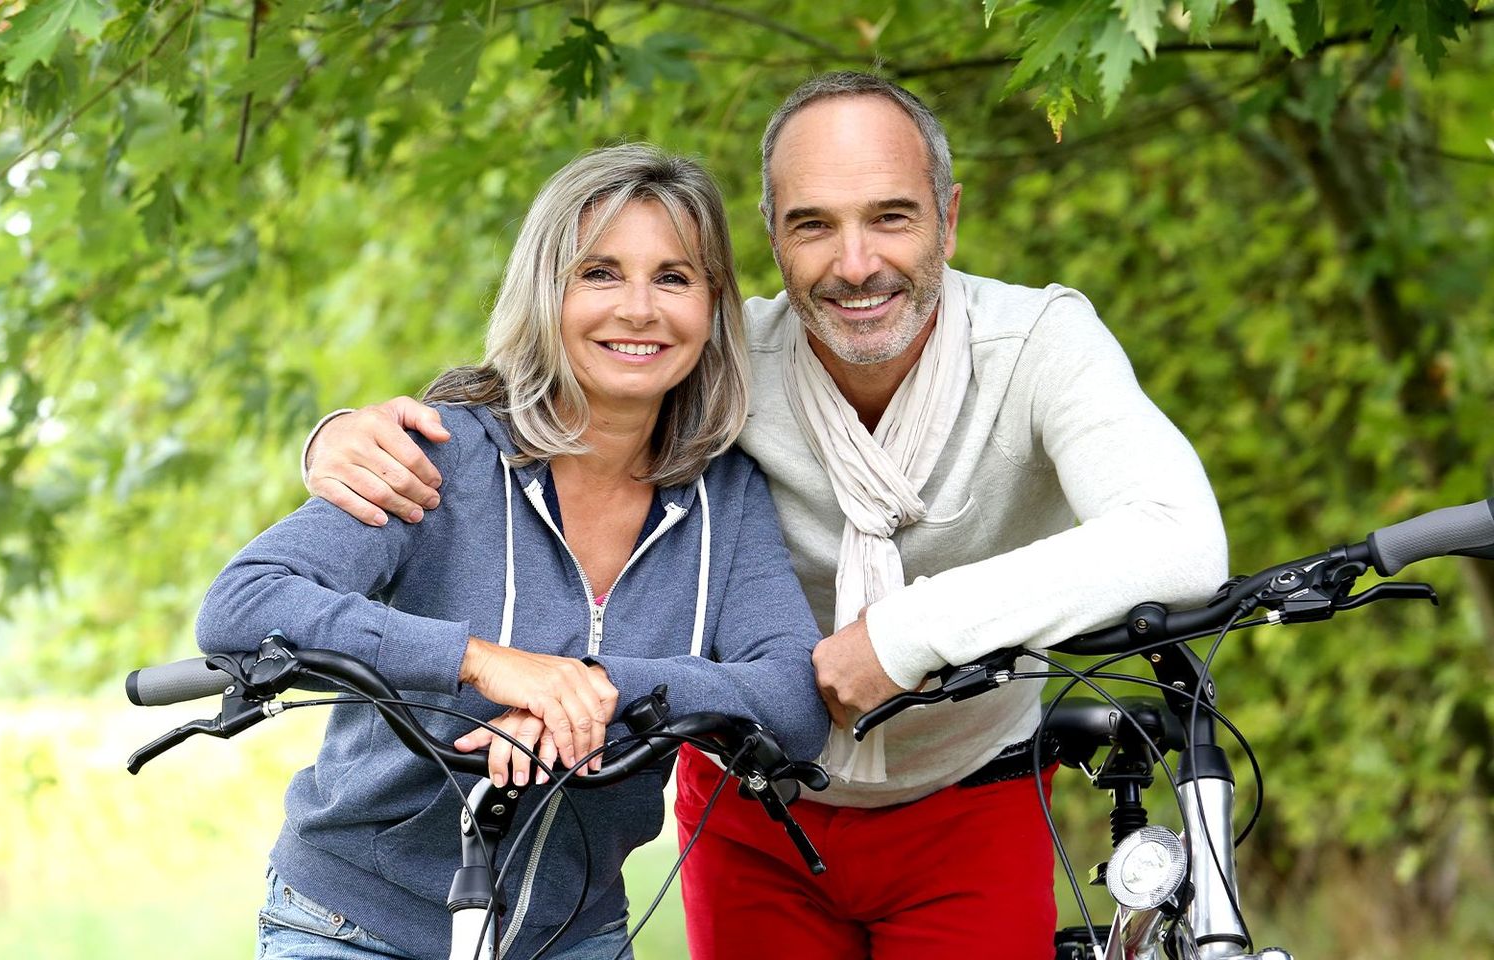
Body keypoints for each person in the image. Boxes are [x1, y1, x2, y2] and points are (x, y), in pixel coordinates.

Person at [300, 73, 1229, 958]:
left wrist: (905, 636)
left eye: (892, 217)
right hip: (754, 804)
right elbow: (549, 395)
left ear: (949, 219)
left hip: (969, 791)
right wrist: (343, 435)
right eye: (813, 225)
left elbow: (1178, 537)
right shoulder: (719, 357)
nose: (855, 263)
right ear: (770, 241)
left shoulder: (1038, 345)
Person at [196, 144, 829, 960]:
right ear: (545, 290)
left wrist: (595, 690)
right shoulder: (444, 452)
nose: (638, 308)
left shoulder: (726, 493)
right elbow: (243, 606)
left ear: (712, 306)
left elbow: (793, 700)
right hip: (355, 925)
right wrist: (484, 663)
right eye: (599, 273)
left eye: (674, 277)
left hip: (574, 933)